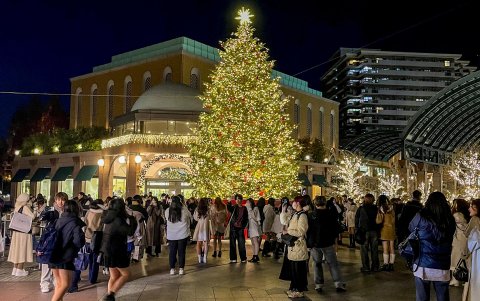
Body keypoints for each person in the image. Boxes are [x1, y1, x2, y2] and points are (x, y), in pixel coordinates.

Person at [409, 191, 455, 301]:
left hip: (422, 262)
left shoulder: (420, 216)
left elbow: (411, 228)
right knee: (442, 296)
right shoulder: (449, 219)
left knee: (422, 297)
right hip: (442, 264)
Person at [307, 195, 346, 293]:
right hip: (328, 242)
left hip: (315, 243)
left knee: (317, 263)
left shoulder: (311, 215)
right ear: (325, 203)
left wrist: (309, 243)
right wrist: (335, 241)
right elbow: (336, 229)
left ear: (315, 204)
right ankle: (338, 284)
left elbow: (309, 231)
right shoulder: (331, 214)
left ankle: (318, 284)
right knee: (333, 264)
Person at [101, 198, 137, 301]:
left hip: (107, 250)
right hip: (116, 251)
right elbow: (129, 232)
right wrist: (133, 220)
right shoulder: (118, 220)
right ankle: (110, 295)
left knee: (114, 275)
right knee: (126, 274)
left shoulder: (108, 217)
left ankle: (109, 296)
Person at [49, 200, 86, 301]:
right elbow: (78, 242)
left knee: (59, 283)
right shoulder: (75, 222)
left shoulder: (59, 220)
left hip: (53, 255)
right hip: (65, 256)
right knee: (65, 284)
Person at [38, 192, 64, 293]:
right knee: (46, 261)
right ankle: (44, 283)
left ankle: (55, 280)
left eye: (62, 200)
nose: (60, 202)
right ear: (55, 200)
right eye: (58, 200)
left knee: (57, 261)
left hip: (61, 239)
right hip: (49, 238)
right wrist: (45, 210)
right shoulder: (51, 209)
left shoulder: (66, 210)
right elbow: (41, 218)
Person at [284, 196, 309, 298]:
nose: (293, 203)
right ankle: (294, 288)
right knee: (294, 269)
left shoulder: (302, 216)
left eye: (294, 202)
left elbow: (301, 231)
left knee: (299, 269)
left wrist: (288, 231)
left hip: (299, 246)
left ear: (298, 203)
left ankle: (299, 290)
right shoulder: (295, 214)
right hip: (293, 246)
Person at [8, 193, 34, 277]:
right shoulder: (25, 207)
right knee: (22, 249)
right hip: (24, 232)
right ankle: (20, 269)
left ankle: (15, 269)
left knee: (17, 250)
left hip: (17, 232)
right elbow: (32, 216)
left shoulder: (17, 207)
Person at [165, 195, 192, 275]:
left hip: (171, 235)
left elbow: (166, 220)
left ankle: (172, 269)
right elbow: (190, 217)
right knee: (181, 252)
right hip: (182, 235)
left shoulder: (167, 211)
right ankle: (181, 269)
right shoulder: (184, 210)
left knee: (172, 252)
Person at [355, 193, 380, 272]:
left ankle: (366, 267)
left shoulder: (361, 208)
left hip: (364, 231)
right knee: (374, 249)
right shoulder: (376, 208)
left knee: (364, 250)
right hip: (374, 231)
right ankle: (375, 266)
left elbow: (356, 219)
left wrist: (357, 229)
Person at [462, 198, 480, 301]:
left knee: (476, 281)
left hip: (477, 255)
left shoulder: (475, 220)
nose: (469, 209)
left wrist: (465, 253)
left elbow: (474, 240)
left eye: (471, 207)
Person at [450, 199, 470, 287]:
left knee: (455, 259)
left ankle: (456, 279)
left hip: (458, 239)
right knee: (466, 259)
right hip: (468, 239)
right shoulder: (469, 216)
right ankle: (466, 279)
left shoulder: (457, 215)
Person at [376, 195, 396, 271]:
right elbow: (394, 220)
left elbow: (379, 221)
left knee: (385, 248)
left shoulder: (381, 209)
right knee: (392, 247)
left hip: (384, 229)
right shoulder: (392, 209)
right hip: (392, 229)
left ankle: (385, 264)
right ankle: (391, 264)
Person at [227, 194, 249, 263]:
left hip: (240, 229)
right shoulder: (233, 207)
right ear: (235, 200)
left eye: (240, 199)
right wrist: (229, 201)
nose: (238, 200)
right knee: (232, 244)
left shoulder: (244, 208)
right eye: (237, 199)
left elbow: (246, 218)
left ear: (242, 200)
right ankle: (233, 258)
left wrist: (243, 226)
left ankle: (243, 258)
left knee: (242, 244)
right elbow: (228, 207)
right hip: (233, 228)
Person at [193, 198, 210, 263]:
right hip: (206, 226)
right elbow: (210, 217)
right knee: (206, 243)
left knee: (198, 243)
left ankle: (199, 258)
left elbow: (195, 218)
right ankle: (205, 258)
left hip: (199, 227)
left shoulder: (197, 209)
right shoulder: (208, 209)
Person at [246, 198, 262, 263]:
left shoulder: (255, 208)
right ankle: (254, 255)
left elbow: (256, 218)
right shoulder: (248, 209)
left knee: (255, 241)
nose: (247, 203)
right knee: (252, 242)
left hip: (254, 226)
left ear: (251, 202)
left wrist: (249, 209)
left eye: (248, 202)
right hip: (250, 227)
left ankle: (256, 256)